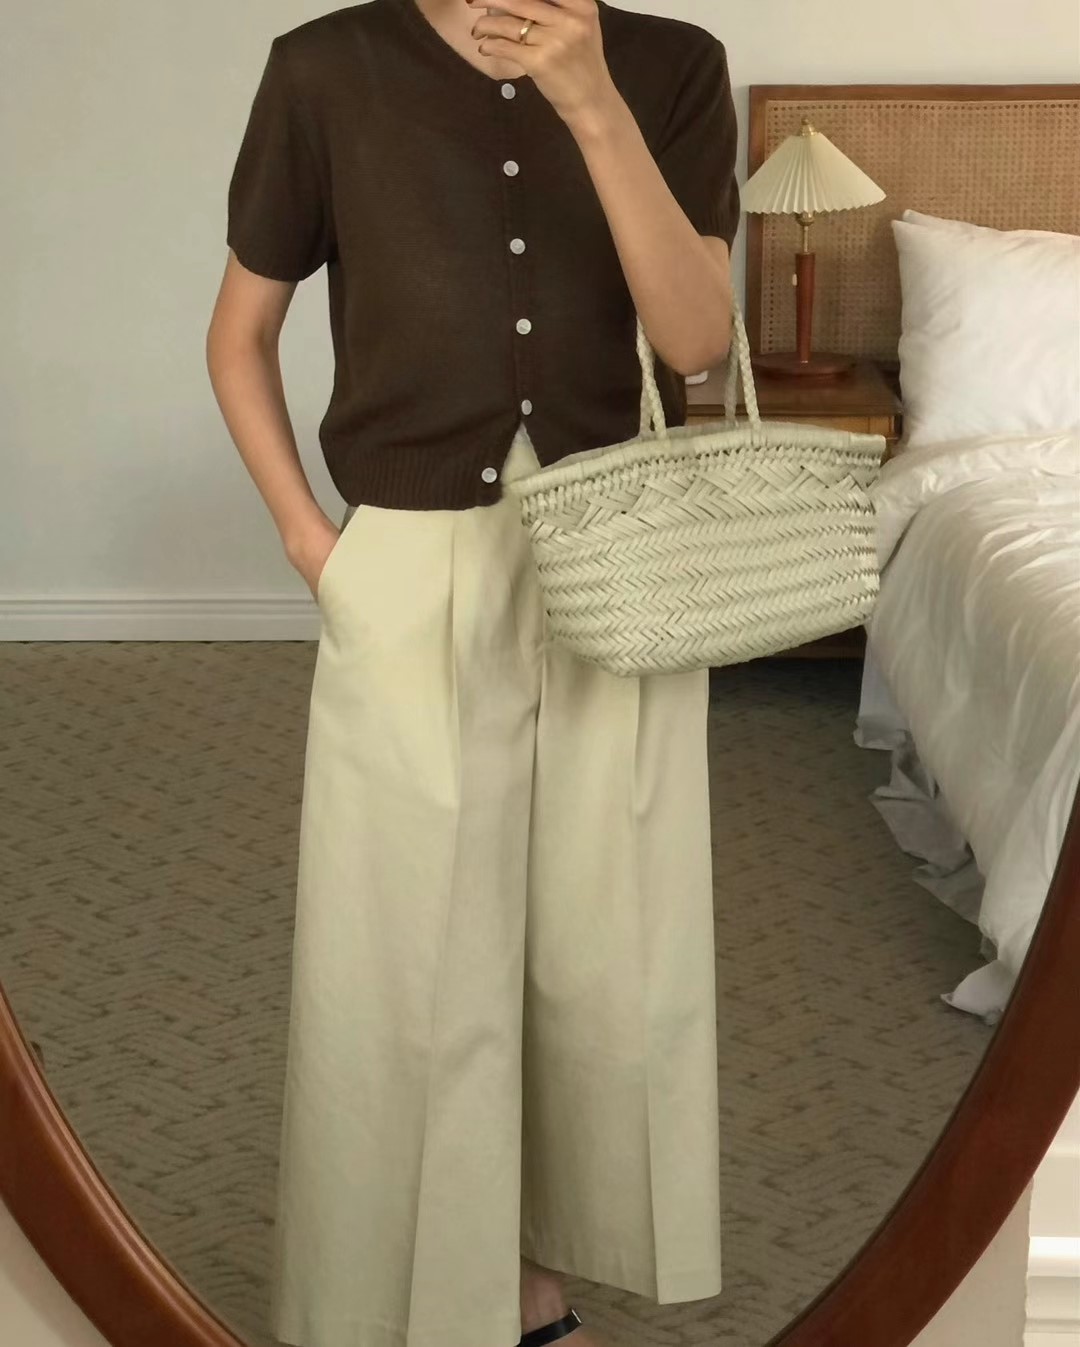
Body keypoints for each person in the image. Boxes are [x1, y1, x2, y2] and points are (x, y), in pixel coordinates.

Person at [205, 3, 740, 1346]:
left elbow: (696, 343)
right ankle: (409, 1293)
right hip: (411, 564)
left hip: (617, 561)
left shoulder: (673, 67)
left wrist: (592, 103)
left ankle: (530, 1278)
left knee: (602, 939)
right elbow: (239, 334)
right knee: (404, 946)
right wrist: (312, 545)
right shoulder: (326, 68)